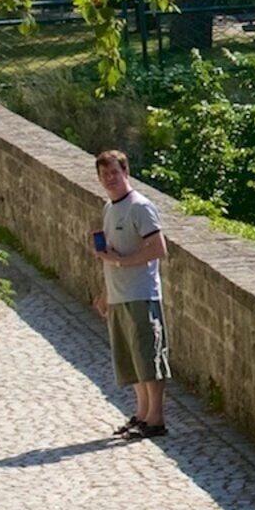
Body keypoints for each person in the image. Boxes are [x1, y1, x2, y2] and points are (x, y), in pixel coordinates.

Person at [89, 148, 172, 437]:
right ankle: (141, 413)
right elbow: (109, 256)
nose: (110, 178)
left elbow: (158, 248)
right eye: (104, 174)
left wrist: (121, 262)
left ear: (126, 172)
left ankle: (156, 419)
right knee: (131, 360)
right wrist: (104, 292)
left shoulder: (140, 206)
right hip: (119, 295)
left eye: (115, 172)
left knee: (148, 357)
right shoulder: (109, 208)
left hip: (141, 293)